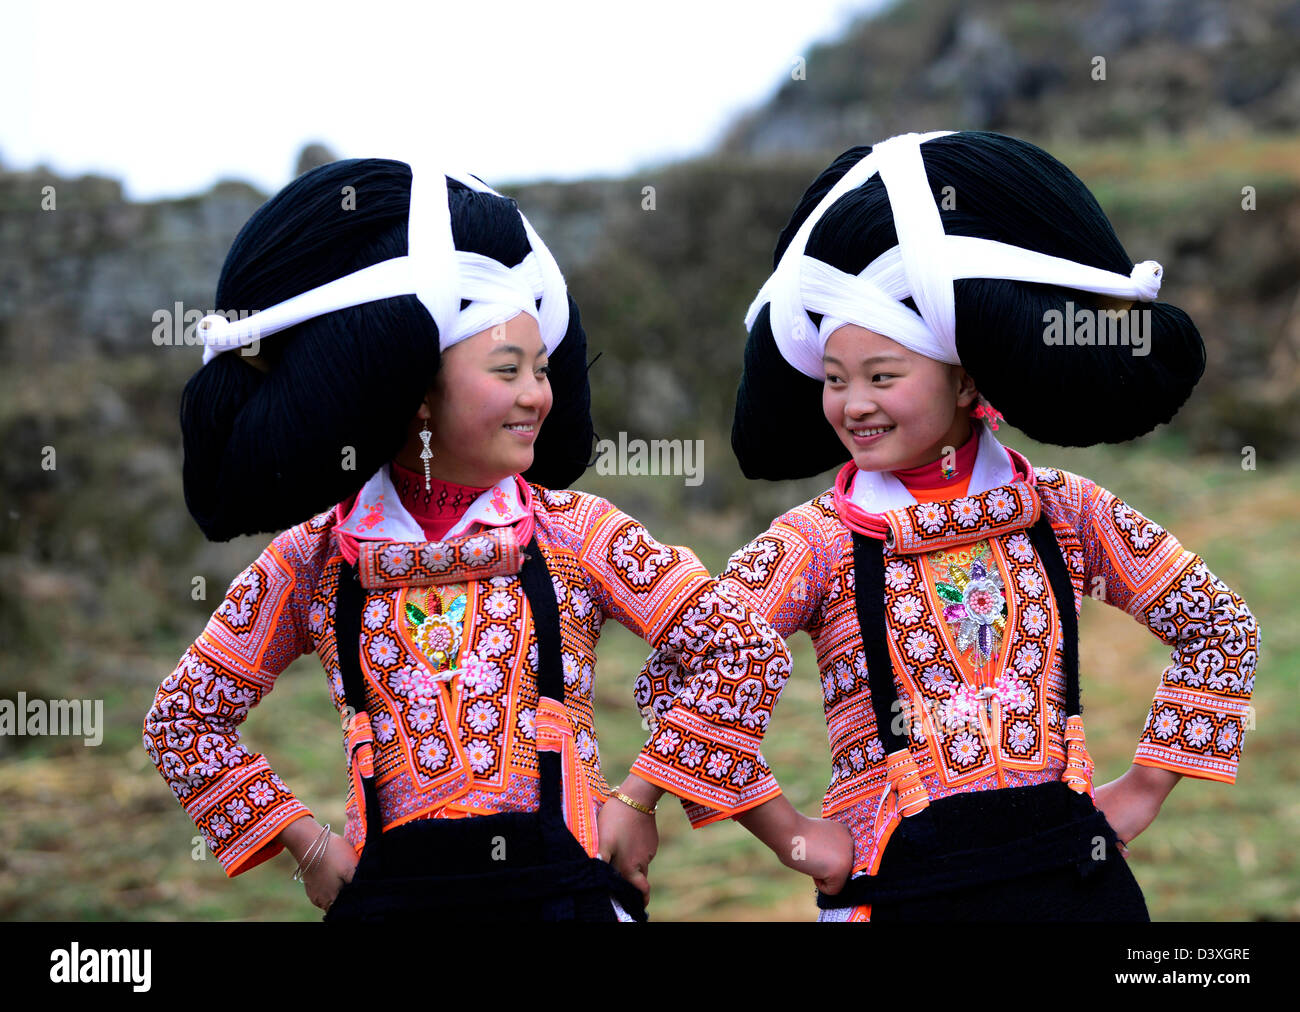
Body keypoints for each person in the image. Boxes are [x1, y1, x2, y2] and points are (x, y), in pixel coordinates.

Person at [142, 158, 848, 921]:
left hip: (568, 896)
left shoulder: (578, 534)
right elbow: (182, 715)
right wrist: (305, 844)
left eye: (541, 369)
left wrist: (640, 797)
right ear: (416, 395)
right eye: (507, 369)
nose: (536, 394)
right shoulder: (313, 558)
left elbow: (738, 645)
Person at [627, 131, 1260, 920]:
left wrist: (1144, 786)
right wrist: (792, 835)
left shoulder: (1062, 511)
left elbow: (1220, 624)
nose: (853, 403)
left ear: (964, 382)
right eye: (833, 380)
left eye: (882, 377)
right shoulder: (819, 539)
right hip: (898, 893)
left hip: (1076, 888)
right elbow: (688, 665)